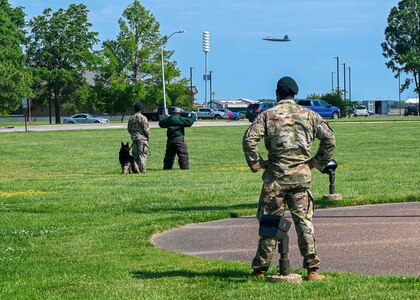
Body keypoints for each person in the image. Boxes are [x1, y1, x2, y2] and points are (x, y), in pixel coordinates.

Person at [243, 76, 336, 281]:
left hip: (275, 177)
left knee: (270, 223)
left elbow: (250, 140)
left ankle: (260, 270)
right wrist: (316, 163)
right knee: (304, 223)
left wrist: (257, 163)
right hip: (301, 177)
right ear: (295, 94)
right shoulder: (309, 115)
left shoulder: (267, 115)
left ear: (277, 93)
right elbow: (329, 139)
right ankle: (312, 270)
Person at [127, 103, 150, 173]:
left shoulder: (131, 118)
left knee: (135, 155)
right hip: (142, 138)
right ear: (141, 109)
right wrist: (148, 137)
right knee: (142, 154)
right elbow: (146, 129)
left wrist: (133, 134)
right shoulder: (143, 118)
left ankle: (135, 169)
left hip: (134, 138)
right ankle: (142, 170)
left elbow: (129, 129)